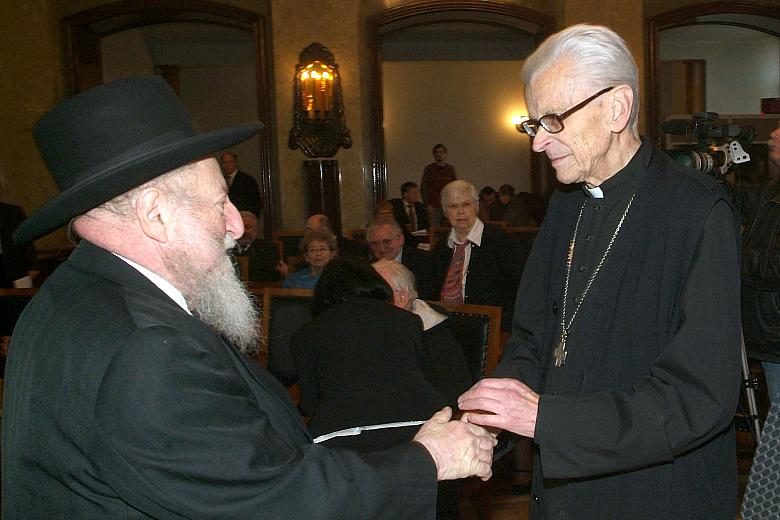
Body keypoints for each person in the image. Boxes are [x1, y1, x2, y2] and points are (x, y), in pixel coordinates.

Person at [2, 76, 495, 519]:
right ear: (155, 214)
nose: (237, 226)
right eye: (220, 203)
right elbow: (269, 500)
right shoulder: (145, 350)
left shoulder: (65, 296)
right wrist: (429, 459)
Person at [457, 24, 741, 520]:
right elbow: (533, 333)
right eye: (533, 124)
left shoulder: (698, 212)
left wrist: (548, 419)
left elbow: (698, 397)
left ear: (616, 108)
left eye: (552, 121)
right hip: (564, 488)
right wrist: (497, 407)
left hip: (655, 492)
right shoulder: (567, 203)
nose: (538, 144)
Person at [291, 257, 446, 452]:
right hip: (420, 427)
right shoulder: (408, 321)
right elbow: (430, 379)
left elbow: (309, 404)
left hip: (342, 435)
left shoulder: (306, 334)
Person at [373, 258, 473, 407]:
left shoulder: (436, 338)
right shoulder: (369, 331)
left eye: (377, 296)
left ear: (402, 298)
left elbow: (449, 397)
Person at [431, 180, 521, 330]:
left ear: (476, 206)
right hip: (445, 327)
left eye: (466, 204)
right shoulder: (441, 248)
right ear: (445, 211)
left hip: (490, 328)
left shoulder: (501, 241)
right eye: (453, 206)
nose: (460, 211)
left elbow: (519, 288)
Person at [741, 122, 780, 402]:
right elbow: (734, 200)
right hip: (767, 331)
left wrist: (735, 259)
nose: (772, 135)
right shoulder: (769, 190)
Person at [367, 216, 435, 300]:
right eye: (375, 243)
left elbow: (428, 297)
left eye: (386, 241)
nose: (382, 248)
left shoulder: (425, 262)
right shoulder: (369, 269)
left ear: (401, 239)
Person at [0, 181, 37, 288]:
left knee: (20, 299)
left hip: (14, 265)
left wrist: (32, 265)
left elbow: (26, 239)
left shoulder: (13, 212)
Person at [233, 211, 282, 283]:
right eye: (240, 227)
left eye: (247, 227)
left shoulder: (268, 249)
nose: (243, 231)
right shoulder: (226, 248)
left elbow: (272, 277)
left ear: (256, 230)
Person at [421, 144, 456, 226]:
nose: (439, 154)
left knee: (450, 228)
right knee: (434, 229)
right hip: (434, 207)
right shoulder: (429, 169)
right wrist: (428, 205)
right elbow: (424, 188)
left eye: (441, 152)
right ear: (434, 155)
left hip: (448, 206)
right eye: (437, 152)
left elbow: (454, 187)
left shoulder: (450, 169)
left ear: (445, 154)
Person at [220, 151, 261, 218]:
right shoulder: (220, 181)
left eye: (230, 162)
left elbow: (256, 203)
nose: (227, 165)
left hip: (243, 219)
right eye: (224, 162)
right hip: (225, 219)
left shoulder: (247, 180)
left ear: (236, 163)